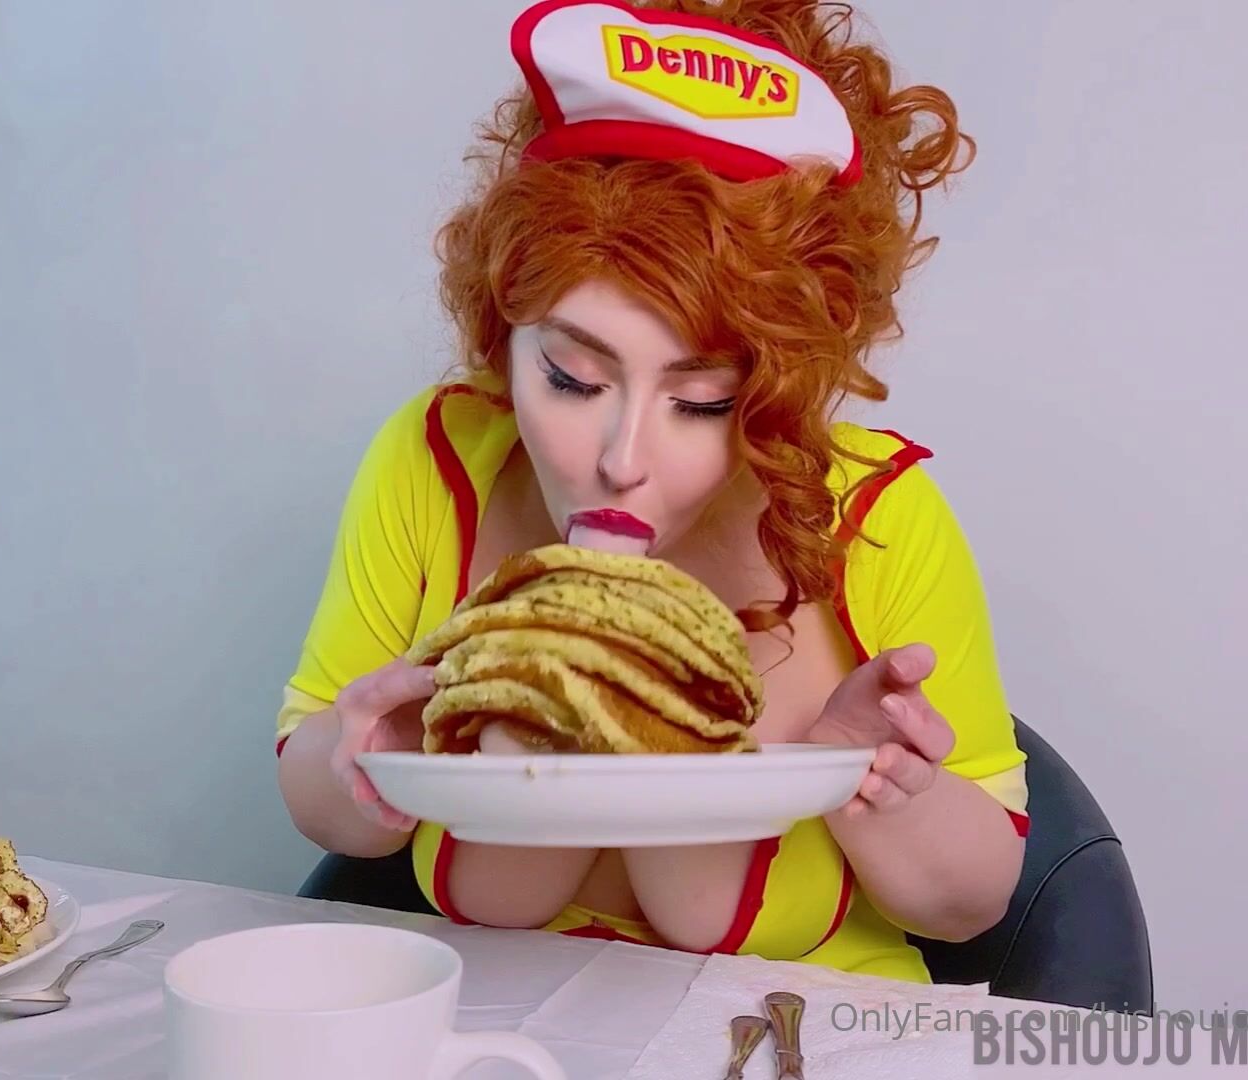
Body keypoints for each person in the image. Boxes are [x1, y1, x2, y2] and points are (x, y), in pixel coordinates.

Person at [277, 0, 1028, 981]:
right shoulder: (436, 458)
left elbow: (975, 907)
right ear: (502, 333)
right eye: (572, 380)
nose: (621, 459)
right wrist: (371, 756)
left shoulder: (876, 514)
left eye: (702, 401)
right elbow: (314, 789)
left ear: (777, 388)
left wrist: (867, 778)